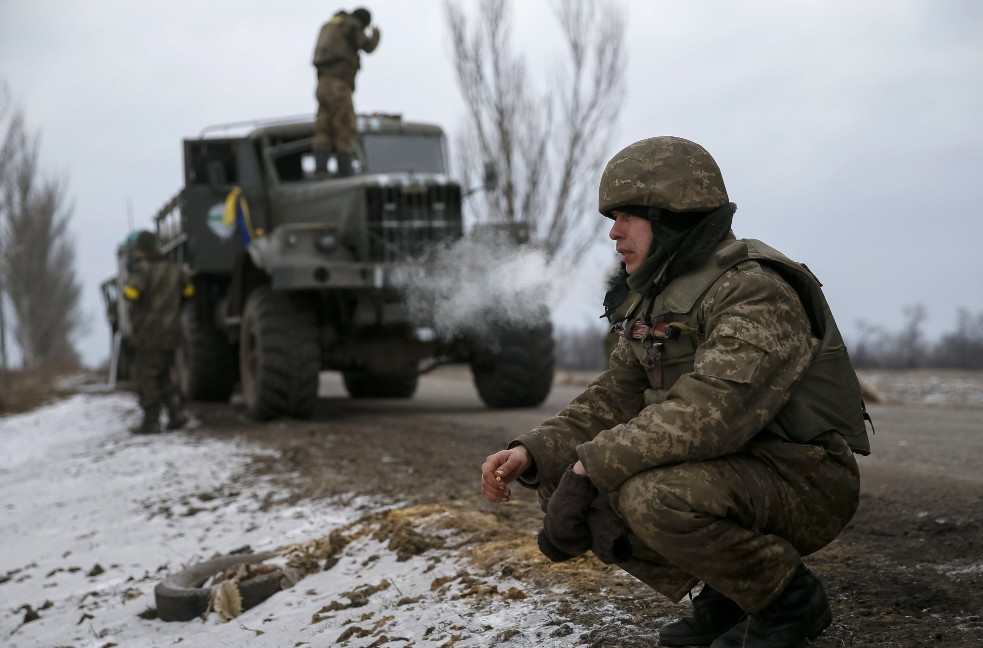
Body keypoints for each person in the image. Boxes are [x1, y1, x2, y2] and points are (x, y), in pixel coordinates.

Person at [481, 136, 871, 648]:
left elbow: (710, 413)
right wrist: (529, 453)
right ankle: (729, 597)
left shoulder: (753, 290)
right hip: (736, 469)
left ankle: (787, 603)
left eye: (626, 217)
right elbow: (611, 398)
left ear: (671, 217)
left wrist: (588, 466)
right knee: (562, 476)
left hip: (801, 475)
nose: (614, 233)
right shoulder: (655, 300)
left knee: (651, 496)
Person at [123, 230, 192, 434]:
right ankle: (175, 413)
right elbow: (189, 292)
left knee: (147, 377)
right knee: (163, 375)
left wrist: (131, 274)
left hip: (148, 334)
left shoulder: (142, 270)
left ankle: (151, 420)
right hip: (172, 332)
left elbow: (131, 293)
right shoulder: (174, 269)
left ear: (141, 250)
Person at [312, 7, 381, 177]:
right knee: (345, 126)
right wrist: (376, 35)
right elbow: (367, 46)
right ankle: (345, 171)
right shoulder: (351, 25)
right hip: (339, 85)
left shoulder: (331, 24)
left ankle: (321, 170)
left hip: (322, 84)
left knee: (324, 127)